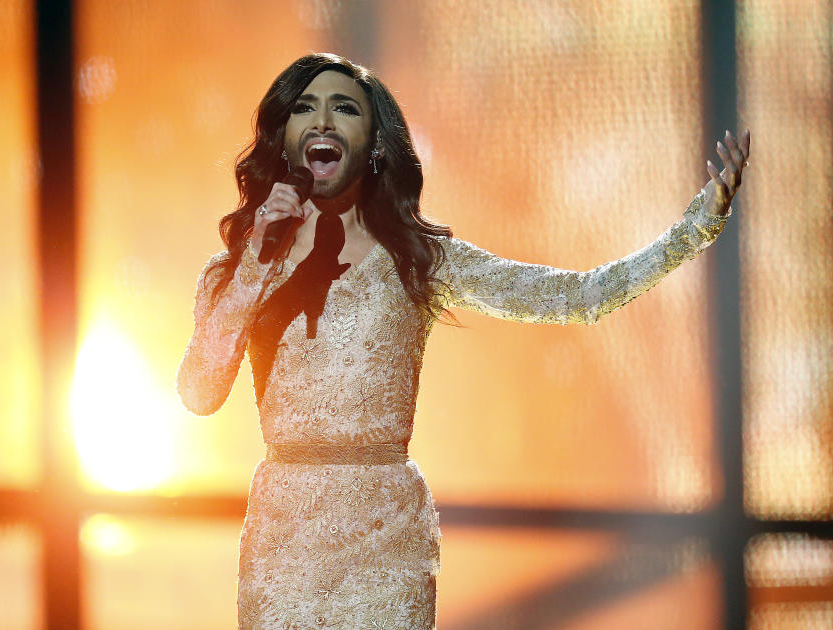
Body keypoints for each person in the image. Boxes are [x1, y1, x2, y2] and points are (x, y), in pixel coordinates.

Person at [176, 52, 750, 629]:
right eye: (305, 108)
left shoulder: (419, 261)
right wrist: (256, 262)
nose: (322, 122)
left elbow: (579, 296)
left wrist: (697, 228)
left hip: (386, 543)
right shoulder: (234, 272)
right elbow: (198, 393)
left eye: (343, 109)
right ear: (284, 137)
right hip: (283, 545)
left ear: (374, 143)